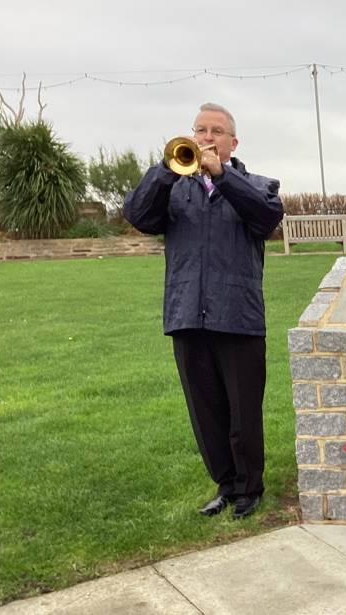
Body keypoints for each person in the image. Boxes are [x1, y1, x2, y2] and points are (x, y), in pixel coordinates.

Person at [124, 103, 284, 520]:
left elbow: (266, 219)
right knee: (206, 409)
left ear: (233, 142)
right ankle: (225, 485)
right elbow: (138, 214)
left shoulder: (258, 185)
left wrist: (221, 176)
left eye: (217, 131)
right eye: (200, 129)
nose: (207, 137)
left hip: (239, 316)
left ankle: (250, 487)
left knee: (242, 409)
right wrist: (164, 169)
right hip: (187, 313)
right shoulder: (174, 188)